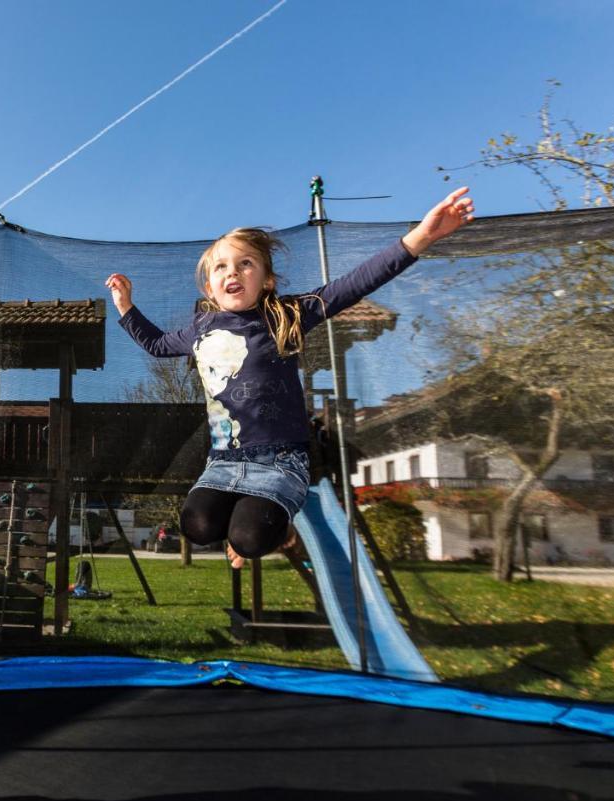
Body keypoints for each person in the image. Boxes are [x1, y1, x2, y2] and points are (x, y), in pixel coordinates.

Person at [106, 188, 474, 569]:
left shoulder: (286, 314)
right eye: (221, 267)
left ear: (265, 280)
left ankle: (279, 532)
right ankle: (246, 527)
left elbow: (354, 285)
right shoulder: (200, 329)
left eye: (245, 263)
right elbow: (157, 344)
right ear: (209, 287)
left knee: (250, 539)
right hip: (223, 462)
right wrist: (126, 306)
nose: (232, 271)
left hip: (280, 462)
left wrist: (422, 236)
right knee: (197, 527)